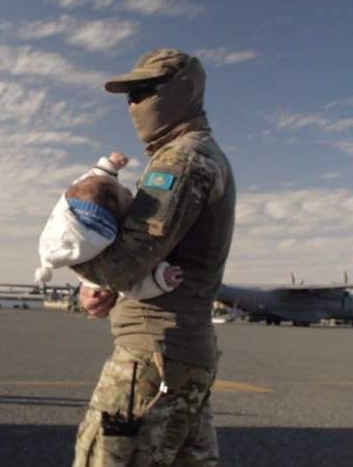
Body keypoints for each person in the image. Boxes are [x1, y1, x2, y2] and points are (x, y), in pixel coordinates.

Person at [70, 49, 236, 466]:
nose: (133, 104)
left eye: (144, 91)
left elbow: (124, 266)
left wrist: (66, 249)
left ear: (182, 90)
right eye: (130, 95)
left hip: (151, 359)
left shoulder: (180, 160)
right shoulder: (200, 154)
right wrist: (101, 284)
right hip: (182, 358)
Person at [34, 151, 183, 300]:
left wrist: (109, 166)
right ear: (115, 223)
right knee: (120, 276)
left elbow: (93, 185)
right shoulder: (97, 267)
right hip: (99, 269)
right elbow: (127, 285)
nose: (129, 192)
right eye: (127, 197)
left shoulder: (71, 205)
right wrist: (159, 279)